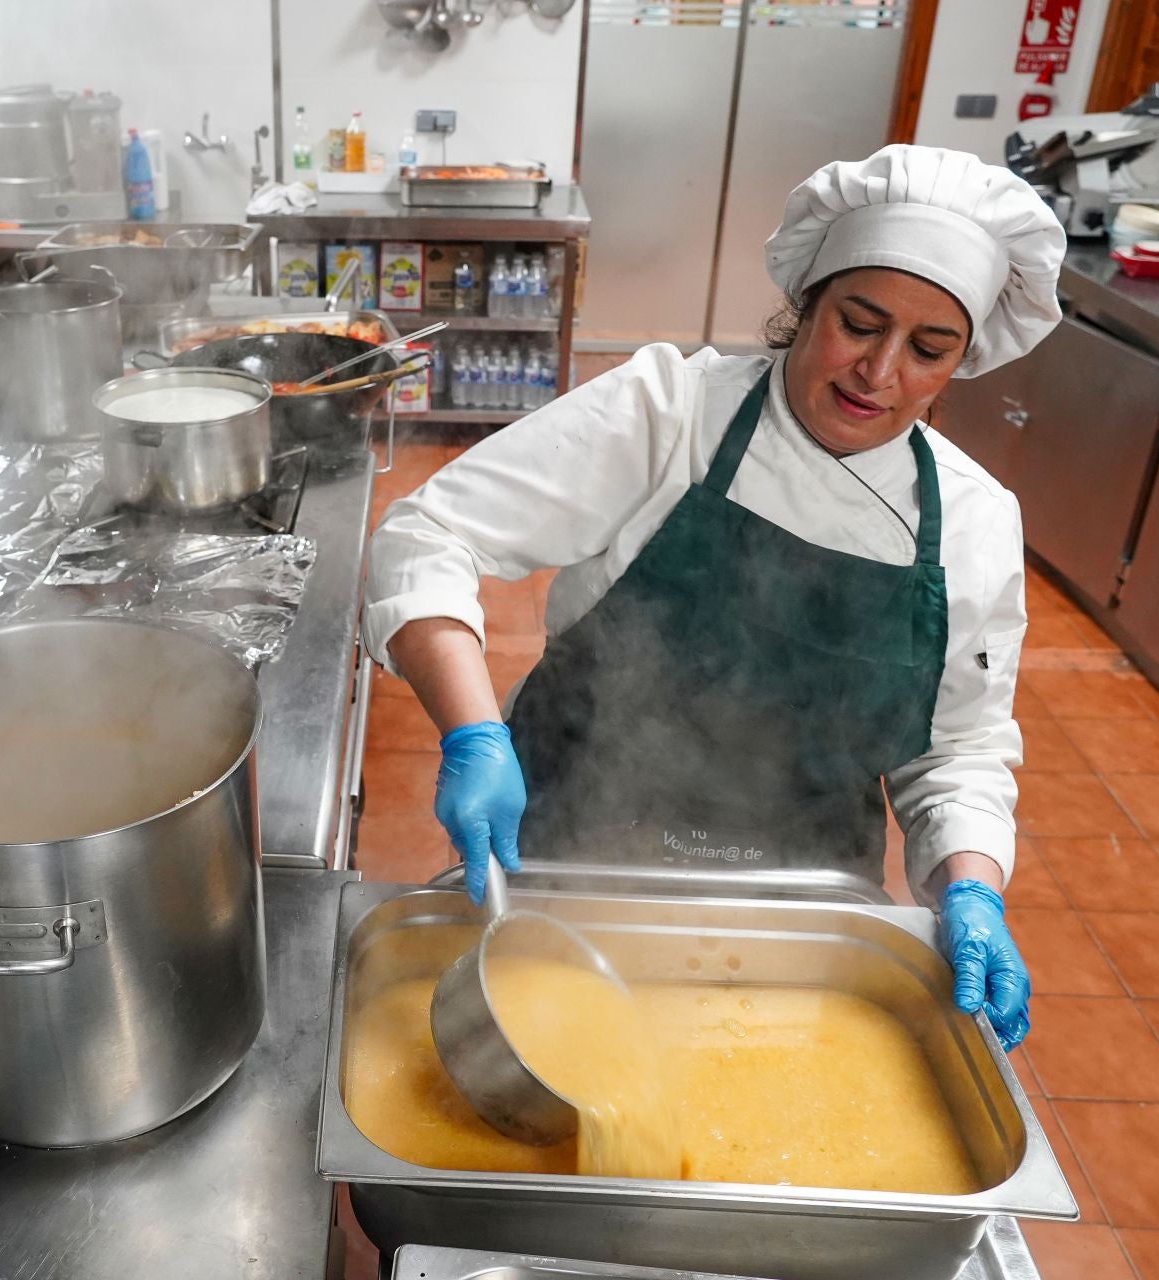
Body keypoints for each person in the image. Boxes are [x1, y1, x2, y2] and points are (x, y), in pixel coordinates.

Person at [363, 145, 1065, 1050]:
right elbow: (427, 533)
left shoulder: (972, 521)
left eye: (930, 350)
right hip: (563, 865)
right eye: (858, 323)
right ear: (804, 299)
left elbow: (957, 748)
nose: (879, 373)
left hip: (796, 917)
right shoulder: (670, 413)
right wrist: (471, 732)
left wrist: (970, 885)